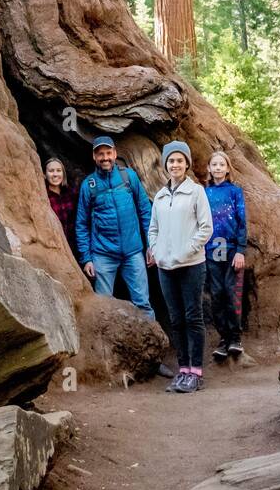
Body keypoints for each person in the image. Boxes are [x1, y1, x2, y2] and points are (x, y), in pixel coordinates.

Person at [147, 141, 213, 394]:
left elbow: (206, 228)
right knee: (175, 319)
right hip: (165, 267)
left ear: (186, 163)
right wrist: (158, 249)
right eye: (171, 161)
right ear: (165, 165)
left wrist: (186, 250)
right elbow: (153, 229)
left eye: (179, 160)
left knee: (192, 317)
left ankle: (196, 372)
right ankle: (183, 369)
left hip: (191, 265)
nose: (175, 165)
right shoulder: (161, 196)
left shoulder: (196, 192)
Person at [75, 137, 155, 319]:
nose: (105, 158)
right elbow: (81, 224)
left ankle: (155, 345)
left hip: (133, 252)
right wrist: (86, 258)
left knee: (143, 303)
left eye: (108, 153)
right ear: (94, 156)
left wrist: (152, 244)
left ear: (115, 154)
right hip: (103, 255)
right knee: (103, 308)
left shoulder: (129, 177)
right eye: (100, 154)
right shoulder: (89, 185)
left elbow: (145, 211)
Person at [204, 149, 247, 361]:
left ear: (228, 168)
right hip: (211, 250)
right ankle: (223, 339)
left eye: (222, 165)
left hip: (231, 250)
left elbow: (241, 222)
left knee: (232, 293)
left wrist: (240, 250)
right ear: (209, 169)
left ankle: (235, 337)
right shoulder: (204, 193)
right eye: (215, 165)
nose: (218, 168)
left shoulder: (235, 192)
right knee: (217, 294)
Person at [44, 157, 77, 254]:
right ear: (45, 174)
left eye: (58, 171)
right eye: (51, 171)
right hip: (54, 248)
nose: (55, 174)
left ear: (63, 174)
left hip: (73, 246)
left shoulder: (71, 193)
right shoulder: (43, 196)